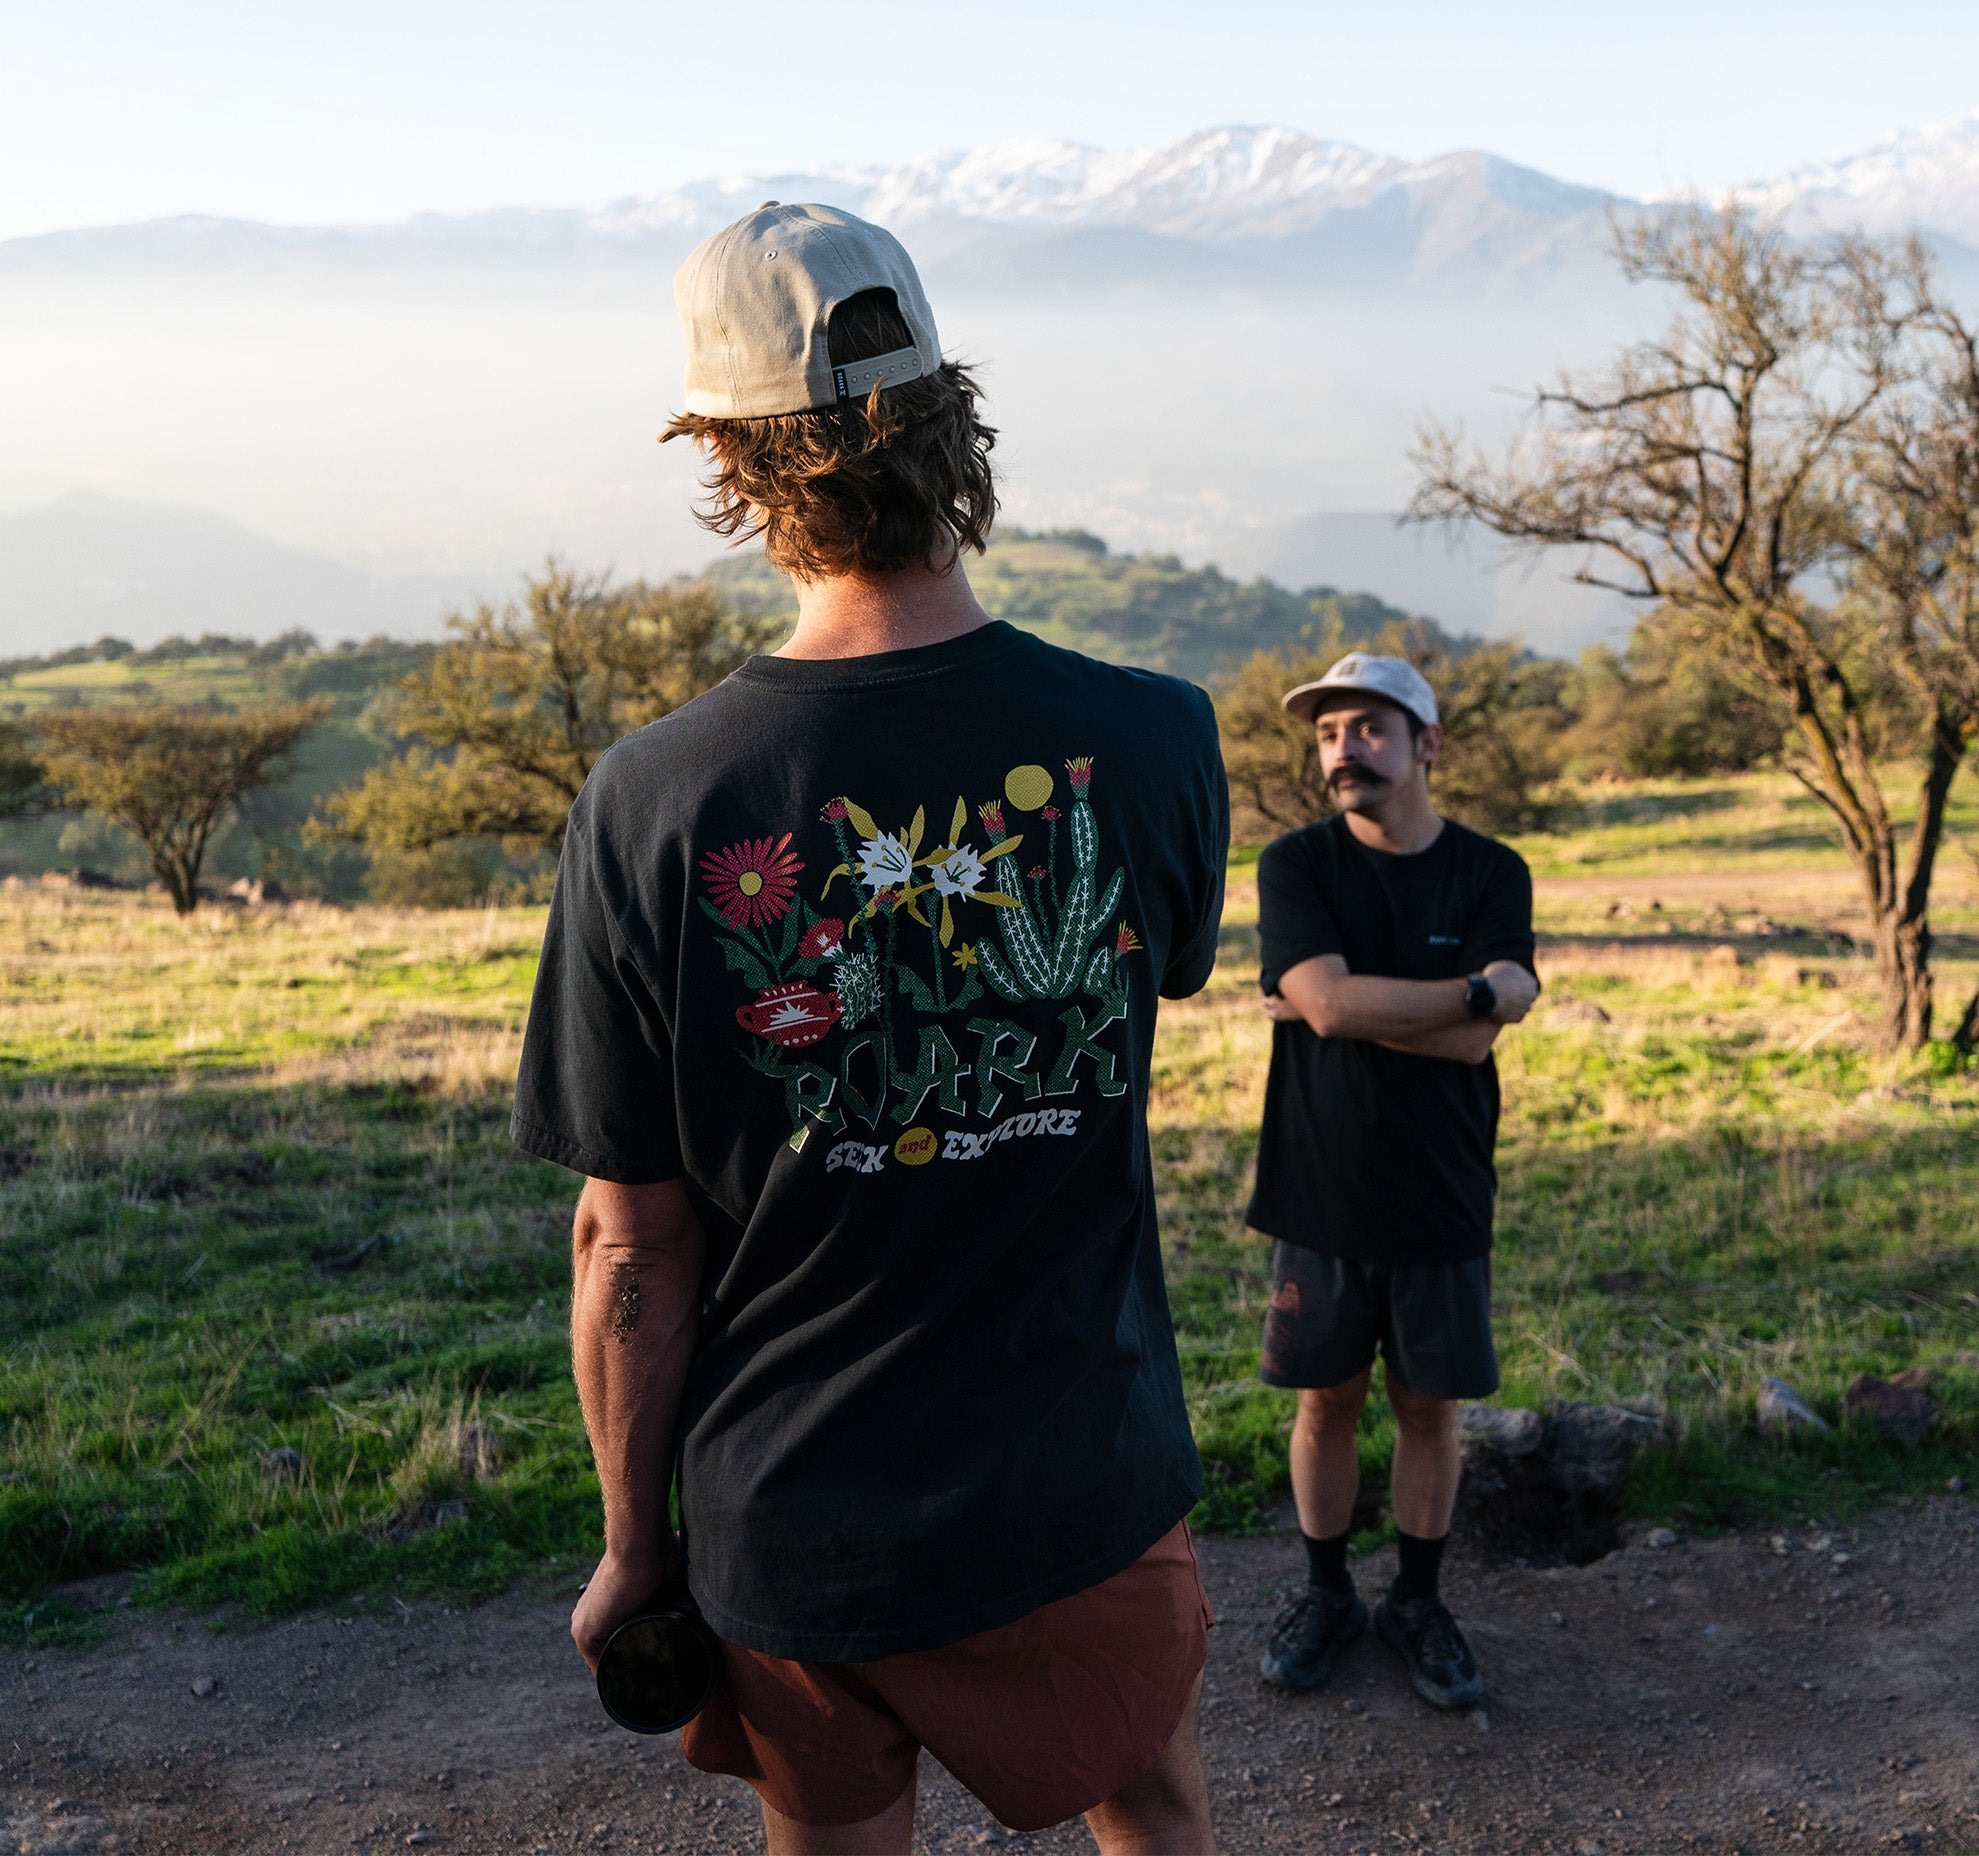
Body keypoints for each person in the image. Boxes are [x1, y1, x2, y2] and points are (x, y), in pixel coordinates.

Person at [511, 202, 1231, 1854]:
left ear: (733, 459)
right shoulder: (1155, 738)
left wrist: (634, 1541)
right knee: (1161, 1812)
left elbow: (631, 1253)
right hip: (1082, 1471)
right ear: (949, 417)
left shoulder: (649, 804)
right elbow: (1152, 979)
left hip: (797, 1519)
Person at [1247, 651, 1538, 1711]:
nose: (1341, 751)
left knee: (1428, 1409)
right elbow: (1331, 1007)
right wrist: (1470, 993)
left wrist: (1355, 1001)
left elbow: (1460, 1046)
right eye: (1326, 733)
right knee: (1323, 1401)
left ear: (1426, 743)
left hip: (1441, 1191)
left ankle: (1416, 1600)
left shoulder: (1490, 871)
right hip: (1317, 1190)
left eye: (1366, 728)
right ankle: (1325, 1593)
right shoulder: (1295, 864)